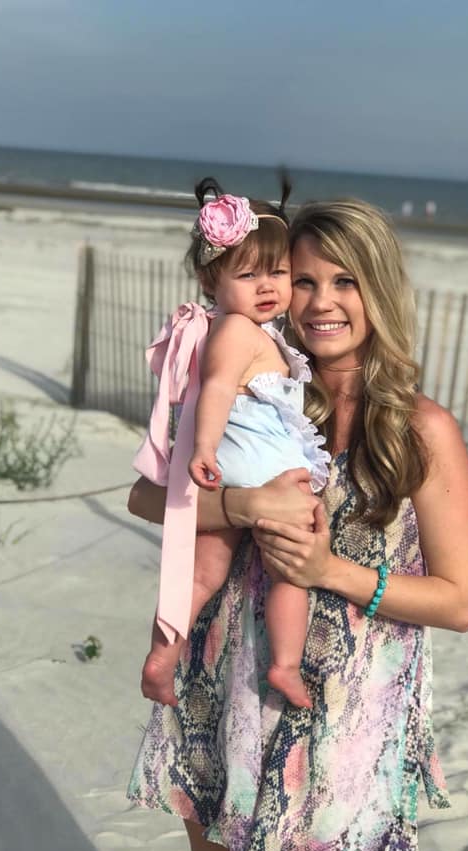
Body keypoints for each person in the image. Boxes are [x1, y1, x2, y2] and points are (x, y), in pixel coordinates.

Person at [127, 198, 468, 851]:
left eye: (345, 282)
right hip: (222, 681)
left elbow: (458, 602)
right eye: (304, 280)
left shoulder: (420, 429)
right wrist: (240, 504)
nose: (321, 302)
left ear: (378, 290)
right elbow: (146, 496)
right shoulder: (261, 387)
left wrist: (330, 571)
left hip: (340, 711)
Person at [134, 179, 329, 709]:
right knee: (291, 566)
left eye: (279, 273)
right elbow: (218, 388)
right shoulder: (240, 330)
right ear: (209, 279)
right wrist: (203, 448)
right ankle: (285, 664)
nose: (267, 286)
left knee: (204, 572)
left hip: (235, 463)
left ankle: (162, 658)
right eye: (247, 275)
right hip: (262, 465)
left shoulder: (231, 327)